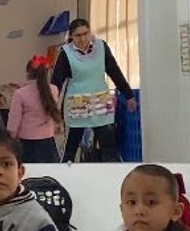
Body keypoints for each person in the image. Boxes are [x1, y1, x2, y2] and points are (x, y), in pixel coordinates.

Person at [52, 18, 137, 163]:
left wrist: (128, 94)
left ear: (90, 32)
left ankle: (112, 177)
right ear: (71, 36)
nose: (83, 38)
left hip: (101, 104)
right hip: (76, 106)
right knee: (70, 148)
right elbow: (56, 82)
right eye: (78, 35)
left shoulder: (101, 46)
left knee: (109, 146)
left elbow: (114, 71)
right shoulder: (66, 53)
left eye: (85, 33)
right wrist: (51, 109)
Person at [6, 55, 63, 164]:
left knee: (30, 174)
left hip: (27, 143)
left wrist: (10, 140)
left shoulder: (20, 94)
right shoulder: (54, 90)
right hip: (48, 141)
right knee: (50, 173)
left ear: (28, 73)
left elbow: (13, 122)